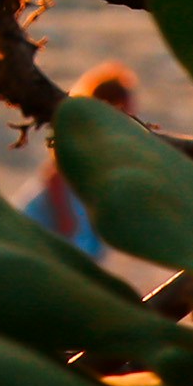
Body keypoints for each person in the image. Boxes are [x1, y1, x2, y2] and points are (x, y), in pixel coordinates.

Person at [23, 63, 138, 259]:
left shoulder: (112, 139)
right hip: (62, 216)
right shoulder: (87, 132)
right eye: (125, 110)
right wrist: (66, 219)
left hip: (81, 217)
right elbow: (55, 175)